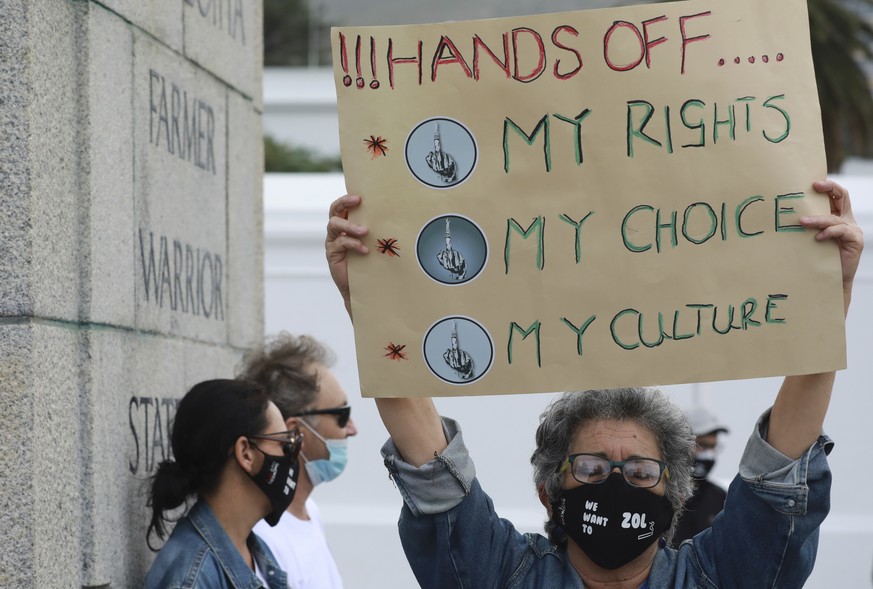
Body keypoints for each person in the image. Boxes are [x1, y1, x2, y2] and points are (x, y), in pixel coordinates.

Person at [325, 179, 863, 588]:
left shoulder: (718, 575)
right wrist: (370, 304)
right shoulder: (502, 573)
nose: (616, 482)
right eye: (591, 468)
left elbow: (778, 477)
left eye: (640, 470)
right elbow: (435, 477)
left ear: (675, 496)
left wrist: (827, 296)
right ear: (549, 492)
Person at [144, 379, 302, 588]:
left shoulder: (254, 551)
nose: (292, 457)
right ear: (246, 453)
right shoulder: (192, 578)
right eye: (285, 445)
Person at [238, 333, 358, 589]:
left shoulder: (308, 510)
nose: (352, 428)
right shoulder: (263, 536)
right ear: (294, 432)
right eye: (342, 414)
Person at [672, 406, 729, 544]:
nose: (708, 454)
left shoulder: (720, 497)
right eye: (701, 445)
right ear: (681, 444)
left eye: (713, 447)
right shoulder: (660, 490)